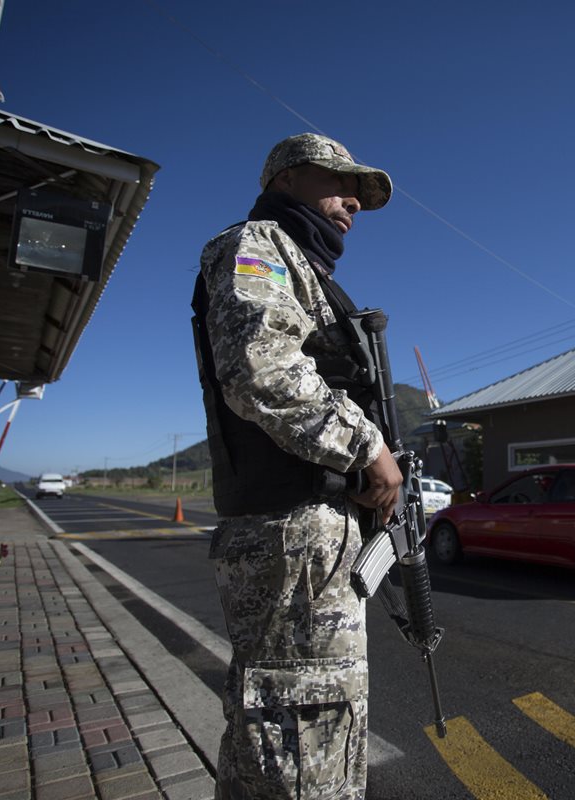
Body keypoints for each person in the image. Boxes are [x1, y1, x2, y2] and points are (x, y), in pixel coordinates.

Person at [192, 132, 402, 800]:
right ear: (285, 179)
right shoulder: (258, 245)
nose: (353, 204)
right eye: (340, 183)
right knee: (297, 741)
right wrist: (369, 450)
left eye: (361, 195)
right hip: (291, 531)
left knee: (306, 732)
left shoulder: (314, 276)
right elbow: (261, 370)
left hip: (319, 535)